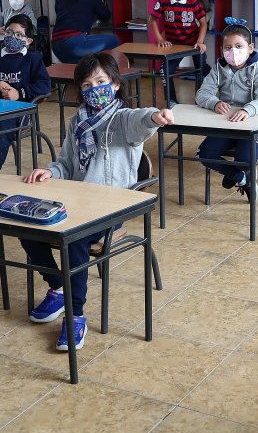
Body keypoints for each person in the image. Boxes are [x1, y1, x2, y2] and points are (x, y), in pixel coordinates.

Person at [20, 52, 173, 351]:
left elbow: (142, 120)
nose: (95, 89)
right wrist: (49, 171)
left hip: (111, 207)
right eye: (87, 85)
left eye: (101, 81)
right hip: (78, 202)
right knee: (28, 226)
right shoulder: (76, 122)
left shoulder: (122, 120)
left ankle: (75, 315)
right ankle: (58, 287)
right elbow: (66, 163)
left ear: (115, 84)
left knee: (74, 238)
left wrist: (157, 116)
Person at [0, 15, 51, 182]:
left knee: (3, 130)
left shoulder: (33, 59)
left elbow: (44, 86)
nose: (13, 37)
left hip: (18, 112)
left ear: (28, 41)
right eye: (9, 32)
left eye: (19, 35)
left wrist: (19, 93)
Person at [195, 22, 258, 202]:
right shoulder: (219, 68)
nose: (233, 51)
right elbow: (202, 94)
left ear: (250, 48)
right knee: (204, 154)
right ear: (222, 49)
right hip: (228, 123)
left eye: (239, 46)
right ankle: (241, 177)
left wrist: (248, 109)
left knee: (244, 159)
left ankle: (239, 172)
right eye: (228, 47)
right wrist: (214, 103)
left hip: (255, 126)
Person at [149, 0, 209, 106]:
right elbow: (152, 20)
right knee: (165, 70)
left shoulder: (193, 1)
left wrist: (200, 41)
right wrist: (160, 39)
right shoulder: (163, 0)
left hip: (193, 43)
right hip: (174, 45)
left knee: (202, 68)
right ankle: (171, 101)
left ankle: (203, 98)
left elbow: (203, 23)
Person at [52, 0, 118, 63]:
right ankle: (105, 71)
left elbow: (59, 12)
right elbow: (105, 16)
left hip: (55, 45)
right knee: (114, 40)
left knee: (80, 65)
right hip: (74, 43)